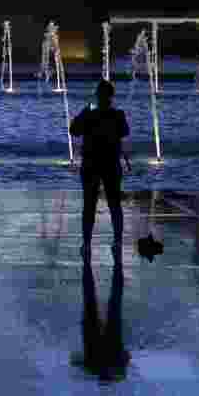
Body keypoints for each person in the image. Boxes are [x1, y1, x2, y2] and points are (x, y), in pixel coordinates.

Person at [70, 80, 130, 262]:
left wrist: (86, 111)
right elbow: (125, 132)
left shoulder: (89, 113)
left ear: (97, 95)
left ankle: (87, 243)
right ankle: (117, 241)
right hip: (111, 163)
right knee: (114, 204)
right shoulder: (117, 115)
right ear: (111, 96)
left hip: (90, 163)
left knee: (89, 205)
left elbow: (73, 130)